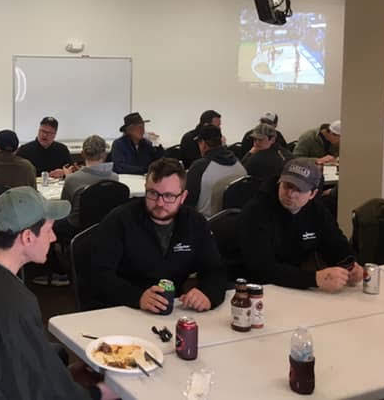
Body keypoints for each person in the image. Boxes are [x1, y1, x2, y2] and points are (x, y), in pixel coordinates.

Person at [0, 187, 118, 400]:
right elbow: (38, 393)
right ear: (27, 237)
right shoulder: (12, 304)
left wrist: (63, 375)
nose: (54, 238)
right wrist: (99, 393)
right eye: (49, 230)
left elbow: (19, 365)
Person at [91, 158, 227, 313]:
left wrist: (208, 294)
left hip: (173, 309)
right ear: (145, 189)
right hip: (123, 308)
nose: (160, 203)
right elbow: (99, 275)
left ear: (183, 197)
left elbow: (215, 270)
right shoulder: (120, 220)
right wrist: (137, 297)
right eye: (153, 193)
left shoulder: (195, 222)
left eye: (169, 196)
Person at [238, 158, 364, 291]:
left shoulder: (317, 211)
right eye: (287, 186)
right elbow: (262, 268)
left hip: (291, 284)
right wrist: (314, 279)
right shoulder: (255, 211)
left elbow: (336, 245)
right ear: (279, 182)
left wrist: (350, 265)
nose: (291, 194)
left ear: (313, 194)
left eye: (299, 189)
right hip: (253, 285)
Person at [33, 135, 118, 287]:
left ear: (83, 154)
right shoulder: (114, 178)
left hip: (77, 225)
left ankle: (58, 272)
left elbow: (65, 206)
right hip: (105, 226)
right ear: (104, 154)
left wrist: (69, 177)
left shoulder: (73, 179)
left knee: (46, 224)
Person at [185, 125, 247, 217]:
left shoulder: (199, 167)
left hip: (207, 222)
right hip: (236, 220)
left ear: (203, 144)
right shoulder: (238, 164)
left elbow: (188, 202)